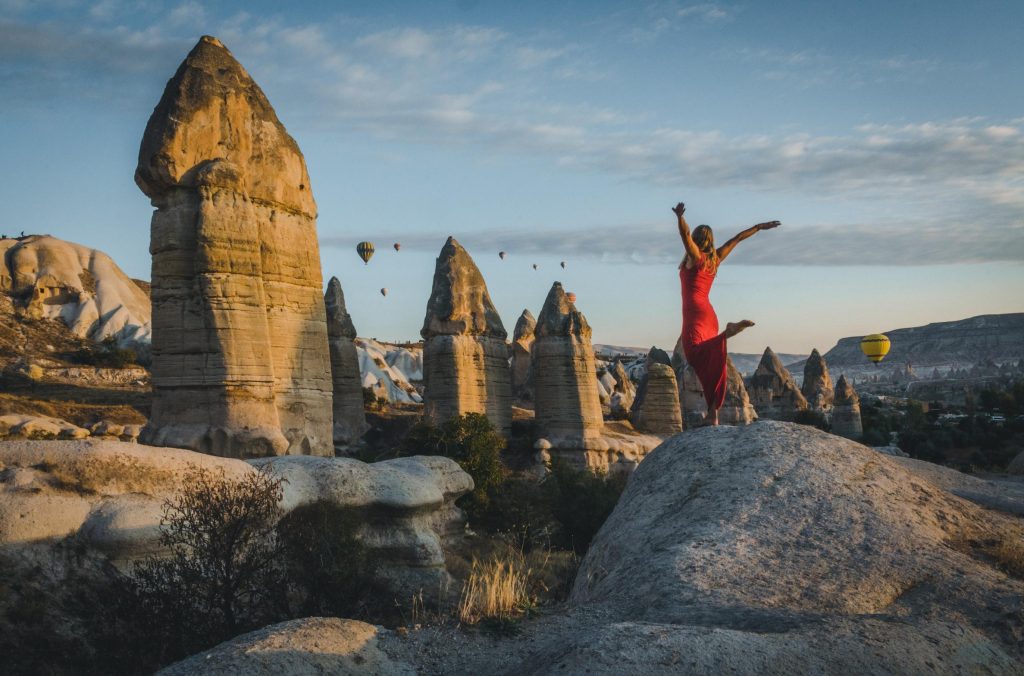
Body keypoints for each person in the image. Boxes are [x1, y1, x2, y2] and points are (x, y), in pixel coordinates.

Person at [674, 201, 779, 426]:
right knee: (712, 362)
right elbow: (737, 239)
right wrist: (759, 227)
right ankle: (713, 415)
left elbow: (685, 236)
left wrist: (680, 217)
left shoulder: (696, 258)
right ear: (710, 240)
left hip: (694, 314)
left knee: (693, 354)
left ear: (697, 240)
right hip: (709, 315)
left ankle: (728, 332)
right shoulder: (714, 260)